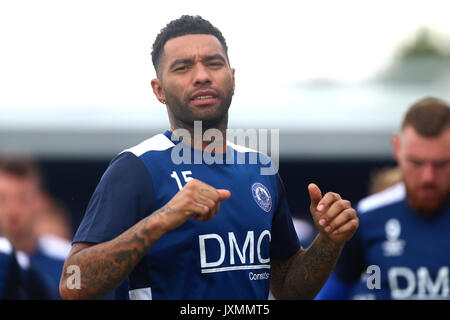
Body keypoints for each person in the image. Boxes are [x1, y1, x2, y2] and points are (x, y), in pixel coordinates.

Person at [59, 15, 359, 300]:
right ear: (159, 90)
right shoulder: (137, 167)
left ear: (232, 77)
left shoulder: (260, 168)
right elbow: (72, 283)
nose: (202, 76)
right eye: (183, 67)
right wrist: (160, 220)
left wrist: (329, 241)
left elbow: (287, 290)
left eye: (214, 64)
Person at [316, 97, 450, 300]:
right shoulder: (366, 217)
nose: (428, 177)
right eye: (416, 162)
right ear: (397, 148)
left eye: (441, 164)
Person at [0, 157, 69, 299]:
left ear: (41, 202)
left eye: (22, 198)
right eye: (3, 199)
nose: (13, 210)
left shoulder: (69, 261)